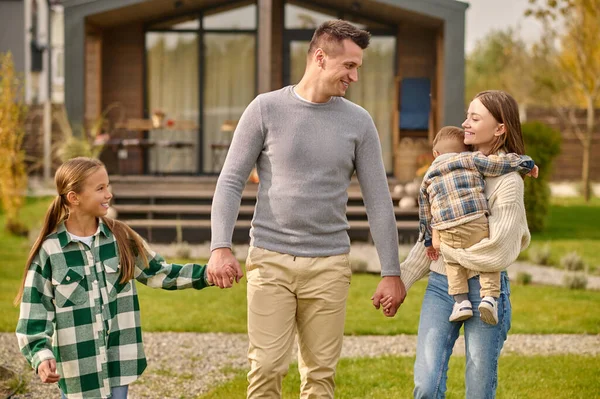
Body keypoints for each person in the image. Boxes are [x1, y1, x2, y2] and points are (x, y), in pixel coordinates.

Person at [208, 20, 406, 399]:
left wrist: (391, 272)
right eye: (349, 66)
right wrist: (220, 246)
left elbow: (378, 199)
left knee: (319, 379)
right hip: (270, 259)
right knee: (266, 368)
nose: (354, 77)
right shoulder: (265, 109)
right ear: (320, 57)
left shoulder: (359, 122)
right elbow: (231, 181)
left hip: (329, 265)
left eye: (358, 68)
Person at [15, 157, 231, 399]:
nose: (109, 194)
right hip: (79, 369)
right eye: (100, 188)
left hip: (119, 362)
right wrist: (41, 356)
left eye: (108, 186)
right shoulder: (51, 251)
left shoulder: (121, 238)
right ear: (73, 198)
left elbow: (160, 272)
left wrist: (210, 273)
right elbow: (34, 314)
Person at [396, 90, 532, 398]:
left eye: (474, 118)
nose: (464, 123)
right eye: (467, 116)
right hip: (441, 288)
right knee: (426, 385)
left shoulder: (508, 181)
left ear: (500, 128)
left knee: (478, 389)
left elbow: (498, 249)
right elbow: (432, 235)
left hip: (488, 293)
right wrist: (401, 282)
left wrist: (448, 250)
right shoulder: (448, 170)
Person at [418, 126, 536, 325]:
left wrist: (429, 240)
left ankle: (461, 302)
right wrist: (525, 163)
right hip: (475, 221)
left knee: (452, 263)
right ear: (466, 150)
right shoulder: (470, 159)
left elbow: (425, 213)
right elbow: (498, 164)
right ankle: (489, 298)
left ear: (435, 154)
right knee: (489, 259)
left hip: (447, 229)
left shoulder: (428, 177)